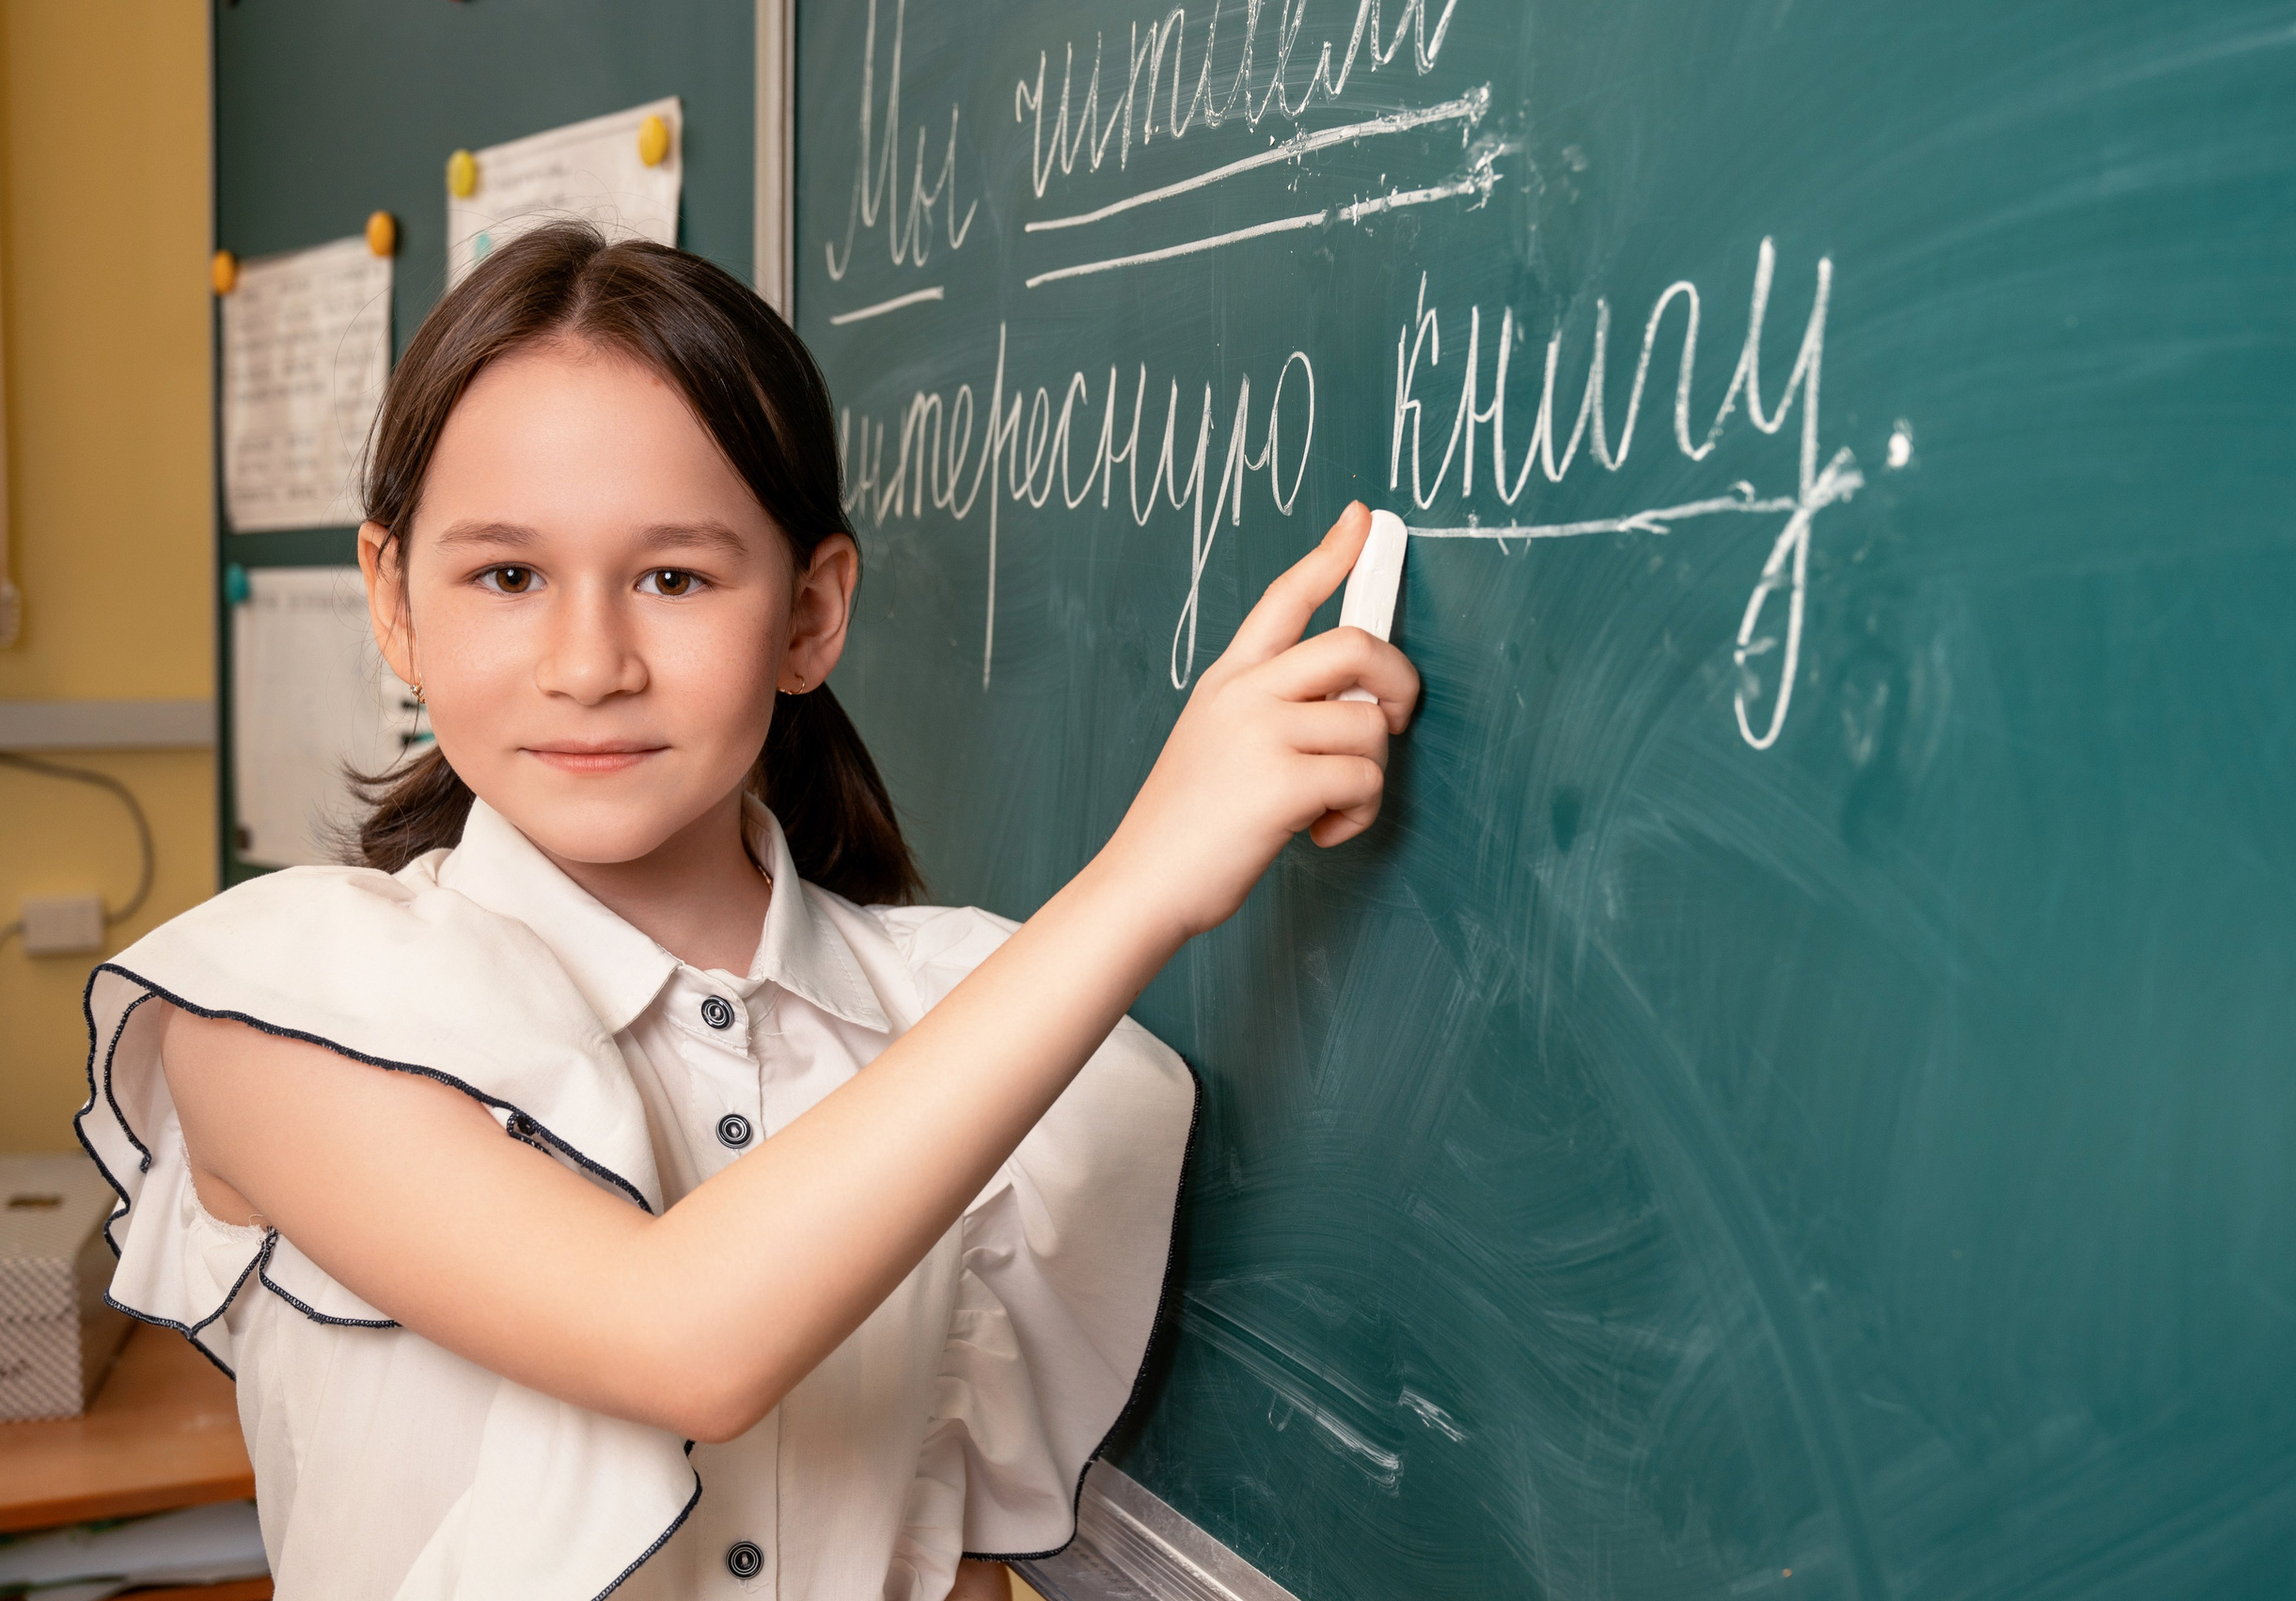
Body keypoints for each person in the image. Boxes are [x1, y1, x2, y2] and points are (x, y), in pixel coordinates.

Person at [77, 223, 1417, 1600]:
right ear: (395, 603)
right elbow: (680, 1339)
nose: (588, 664)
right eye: (506, 576)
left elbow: (940, 1562)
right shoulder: (278, 1011)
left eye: (673, 578)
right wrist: (1146, 879)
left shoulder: (969, 1019)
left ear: (809, 613)